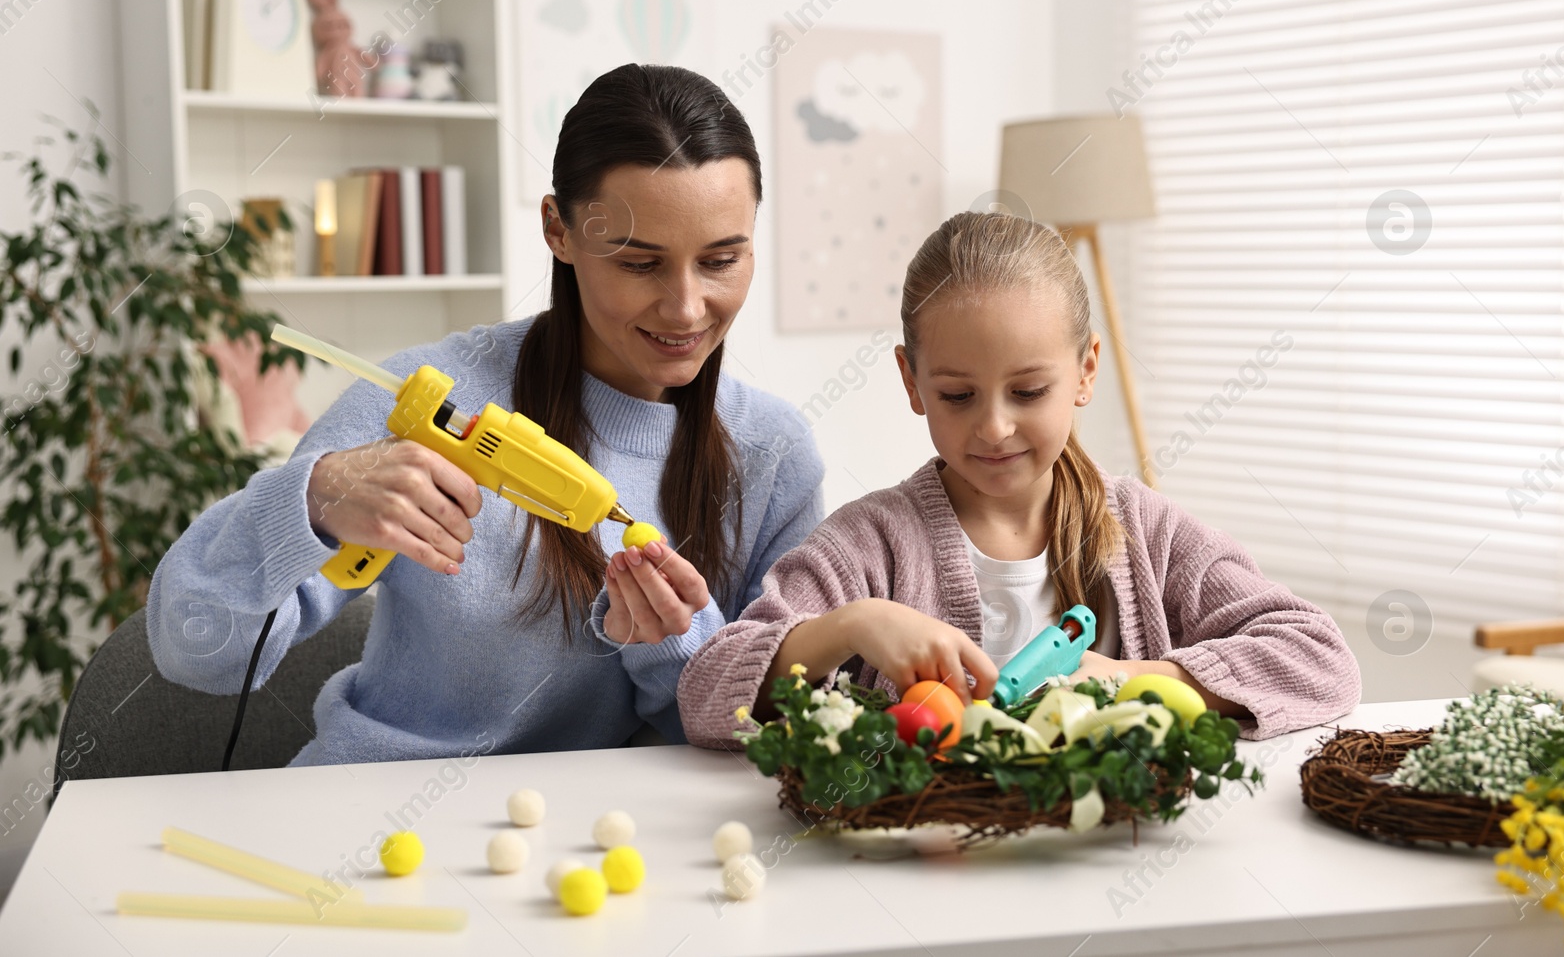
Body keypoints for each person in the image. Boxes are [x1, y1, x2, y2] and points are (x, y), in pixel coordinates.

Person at [146, 64, 824, 765]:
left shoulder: (773, 454)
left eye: (720, 260)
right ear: (558, 230)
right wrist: (311, 500)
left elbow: (767, 745)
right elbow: (192, 648)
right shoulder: (428, 404)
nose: (686, 308)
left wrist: (673, 642)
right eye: (639, 263)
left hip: (604, 846)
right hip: (376, 824)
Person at [678, 211, 1361, 747]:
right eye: (958, 395)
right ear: (912, 381)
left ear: (1087, 370)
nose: (995, 427)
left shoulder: (1147, 532)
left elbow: (1321, 658)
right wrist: (855, 624)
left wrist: (1132, 679)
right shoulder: (869, 544)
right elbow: (706, 694)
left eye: (1029, 390)